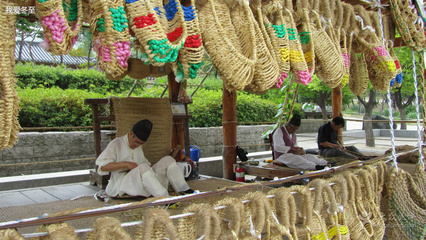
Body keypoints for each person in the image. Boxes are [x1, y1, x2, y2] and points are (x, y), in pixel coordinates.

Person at [96, 119, 194, 198]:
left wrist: (148, 170)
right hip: (122, 184)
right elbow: (102, 167)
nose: (137, 145)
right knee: (143, 167)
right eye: (136, 142)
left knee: (168, 160)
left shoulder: (138, 147)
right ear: (131, 134)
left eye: (141, 144)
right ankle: (163, 198)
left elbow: (145, 165)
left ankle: (183, 189)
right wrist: (126, 164)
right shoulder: (116, 144)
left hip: (142, 182)